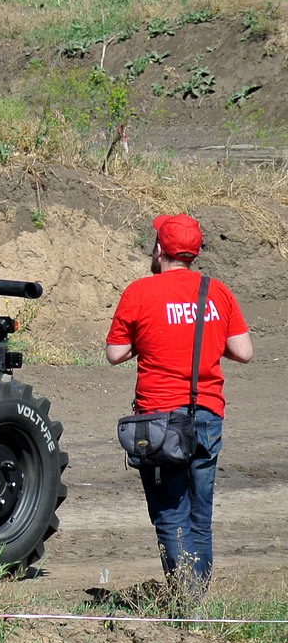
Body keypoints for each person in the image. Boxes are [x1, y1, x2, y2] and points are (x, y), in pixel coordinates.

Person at [105, 213, 253, 597]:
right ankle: (198, 602)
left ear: (159, 250)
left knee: (171, 516)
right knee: (200, 518)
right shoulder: (217, 292)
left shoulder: (139, 292)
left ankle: (187, 601)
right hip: (207, 416)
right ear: (194, 252)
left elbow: (115, 353)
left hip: (160, 422)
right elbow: (244, 351)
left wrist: (150, 340)